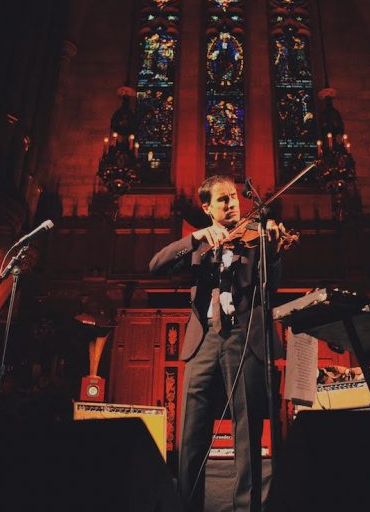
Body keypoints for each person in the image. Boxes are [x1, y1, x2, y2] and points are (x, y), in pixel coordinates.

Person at [149, 175, 287, 512]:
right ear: (207, 207)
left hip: (244, 335)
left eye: (234, 198)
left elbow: (271, 289)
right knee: (191, 430)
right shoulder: (199, 244)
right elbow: (155, 266)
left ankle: (247, 507)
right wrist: (195, 237)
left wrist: (274, 247)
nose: (232, 204)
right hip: (203, 340)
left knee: (247, 429)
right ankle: (188, 505)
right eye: (222, 200)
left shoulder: (256, 237)